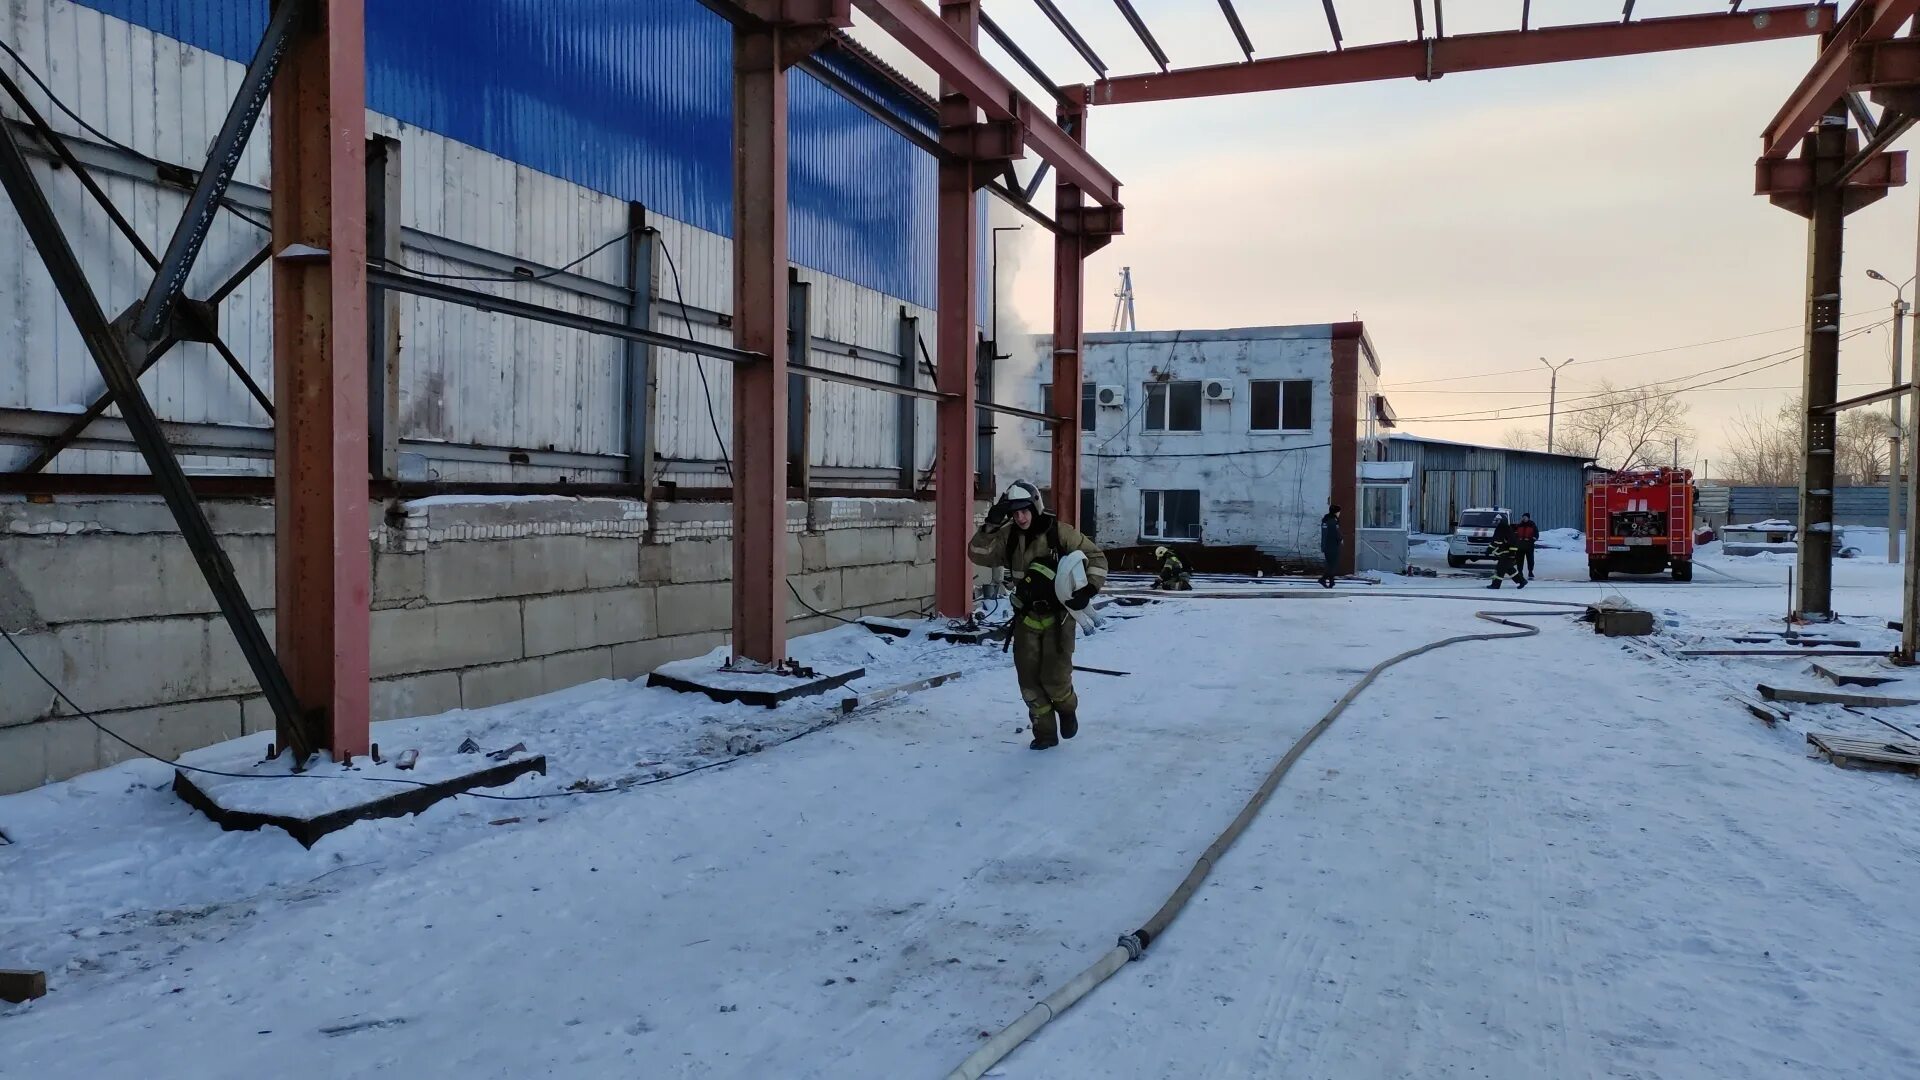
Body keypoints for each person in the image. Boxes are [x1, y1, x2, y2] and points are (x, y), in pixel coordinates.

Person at [969, 481, 1108, 750]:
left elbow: (1096, 557)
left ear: (1035, 506)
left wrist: (1089, 589)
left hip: (1060, 618)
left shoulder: (1059, 533)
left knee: (1055, 680)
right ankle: (1045, 733)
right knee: (1029, 684)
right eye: (1015, 512)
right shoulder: (1008, 536)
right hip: (1026, 618)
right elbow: (977, 553)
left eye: (1024, 510)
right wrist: (990, 525)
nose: (1020, 517)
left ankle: (1067, 710)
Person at [1487, 515, 1527, 590]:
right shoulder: (1503, 528)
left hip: (1507, 553)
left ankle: (1496, 585)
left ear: (1501, 521)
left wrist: (1512, 554)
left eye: (1498, 520)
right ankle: (1522, 581)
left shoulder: (1504, 528)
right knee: (1509, 569)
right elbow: (1497, 540)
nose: (1496, 522)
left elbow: (1509, 542)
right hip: (1504, 553)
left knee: (1500, 569)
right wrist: (1490, 548)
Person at [1319, 505, 1343, 589]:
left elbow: (1325, 535)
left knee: (1330, 564)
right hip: (1332, 546)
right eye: (1339, 512)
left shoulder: (1326, 520)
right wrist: (1341, 539)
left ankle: (1331, 582)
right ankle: (1323, 579)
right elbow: (1336, 534)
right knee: (1333, 564)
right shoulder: (1333, 521)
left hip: (1326, 546)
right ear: (1335, 512)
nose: (1339, 513)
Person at [1513, 512, 1541, 578]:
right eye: (1523, 517)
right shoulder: (1519, 525)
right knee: (1519, 560)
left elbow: (1536, 534)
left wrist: (1533, 539)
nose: (1524, 518)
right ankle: (1520, 572)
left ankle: (1530, 572)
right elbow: (1515, 534)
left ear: (1528, 518)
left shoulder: (1532, 525)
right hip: (1520, 545)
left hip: (1529, 545)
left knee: (1530, 559)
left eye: (1525, 517)